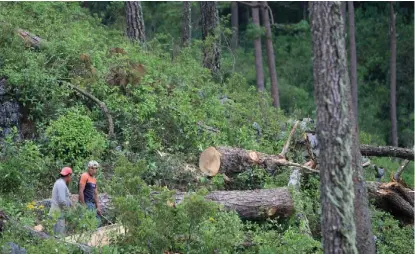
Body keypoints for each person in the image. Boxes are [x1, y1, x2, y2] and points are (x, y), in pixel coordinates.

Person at [49, 167, 73, 236]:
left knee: (56, 237)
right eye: (70, 176)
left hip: (58, 214)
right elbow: (62, 201)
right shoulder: (61, 184)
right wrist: (68, 211)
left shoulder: (60, 183)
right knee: (58, 238)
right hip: (57, 215)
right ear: (68, 175)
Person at [78, 160, 101, 226]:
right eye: (92, 168)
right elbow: (81, 191)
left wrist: (98, 206)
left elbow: (95, 193)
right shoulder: (84, 176)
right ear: (89, 168)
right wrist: (83, 205)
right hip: (85, 202)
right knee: (86, 223)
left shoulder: (94, 179)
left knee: (97, 222)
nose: (94, 170)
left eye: (96, 169)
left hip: (92, 203)